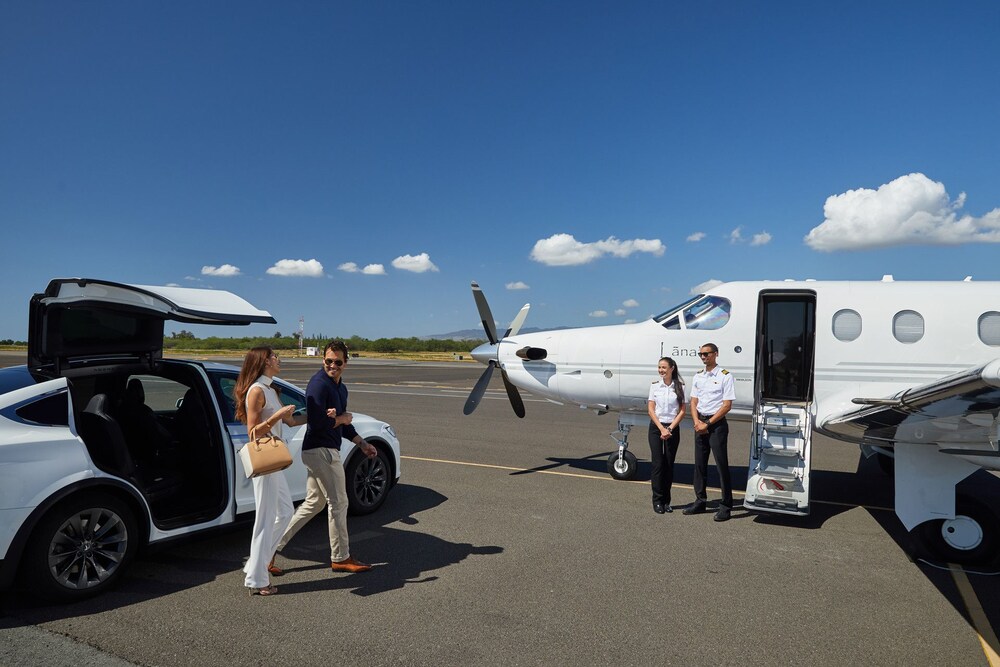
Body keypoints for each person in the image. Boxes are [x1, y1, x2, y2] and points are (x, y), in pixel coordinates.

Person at [274, 340, 378, 573]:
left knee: (314, 503)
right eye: (328, 361)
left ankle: (269, 550)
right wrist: (341, 419)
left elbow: (341, 423)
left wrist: (361, 443)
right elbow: (318, 421)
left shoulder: (340, 388)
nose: (333, 365)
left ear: (346, 363)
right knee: (339, 503)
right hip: (320, 451)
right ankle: (341, 557)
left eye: (337, 362)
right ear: (323, 360)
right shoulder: (318, 385)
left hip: (324, 450)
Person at [234, 346, 304, 596]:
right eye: (274, 357)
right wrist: (277, 417)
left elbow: (292, 421)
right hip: (266, 460)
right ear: (263, 362)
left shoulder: (270, 389)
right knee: (264, 518)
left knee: (285, 512)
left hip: (276, 462)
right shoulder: (256, 391)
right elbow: (252, 432)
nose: (278, 359)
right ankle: (256, 579)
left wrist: (320, 416)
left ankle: (256, 564)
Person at [684, 342, 736, 522]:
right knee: (699, 464)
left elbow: (727, 405)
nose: (703, 357)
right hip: (700, 423)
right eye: (701, 354)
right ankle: (700, 501)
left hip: (717, 425)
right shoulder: (698, 376)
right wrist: (697, 421)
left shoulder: (725, 376)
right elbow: (693, 401)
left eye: (706, 354)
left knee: (721, 465)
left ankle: (726, 505)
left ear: (716, 354)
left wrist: (708, 423)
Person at [647, 357, 686, 514]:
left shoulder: (680, 387)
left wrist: (669, 428)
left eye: (664, 367)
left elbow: (682, 410)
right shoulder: (654, 386)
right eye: (659, 367)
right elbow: (651, 409)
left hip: (672, 428)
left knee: (669, 465)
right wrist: (662, 429)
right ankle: (657, 501)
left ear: (672, 368)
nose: (661, 370)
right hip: (656, 428)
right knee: (658, 465)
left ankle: (667, 501)